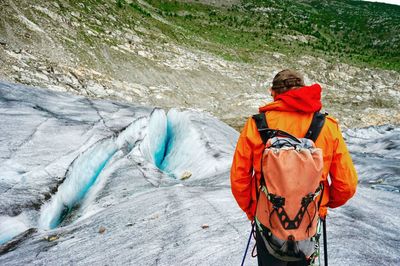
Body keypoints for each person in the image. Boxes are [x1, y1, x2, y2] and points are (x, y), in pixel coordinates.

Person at [230, 69, 358, 265]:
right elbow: (346, 185)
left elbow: (239, 179)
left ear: (273, 92)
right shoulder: (327, 126)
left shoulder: (256, 125)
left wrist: (253, 210)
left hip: (267, 220)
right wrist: (321, 205)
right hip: (309, 220)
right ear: (303, 90)